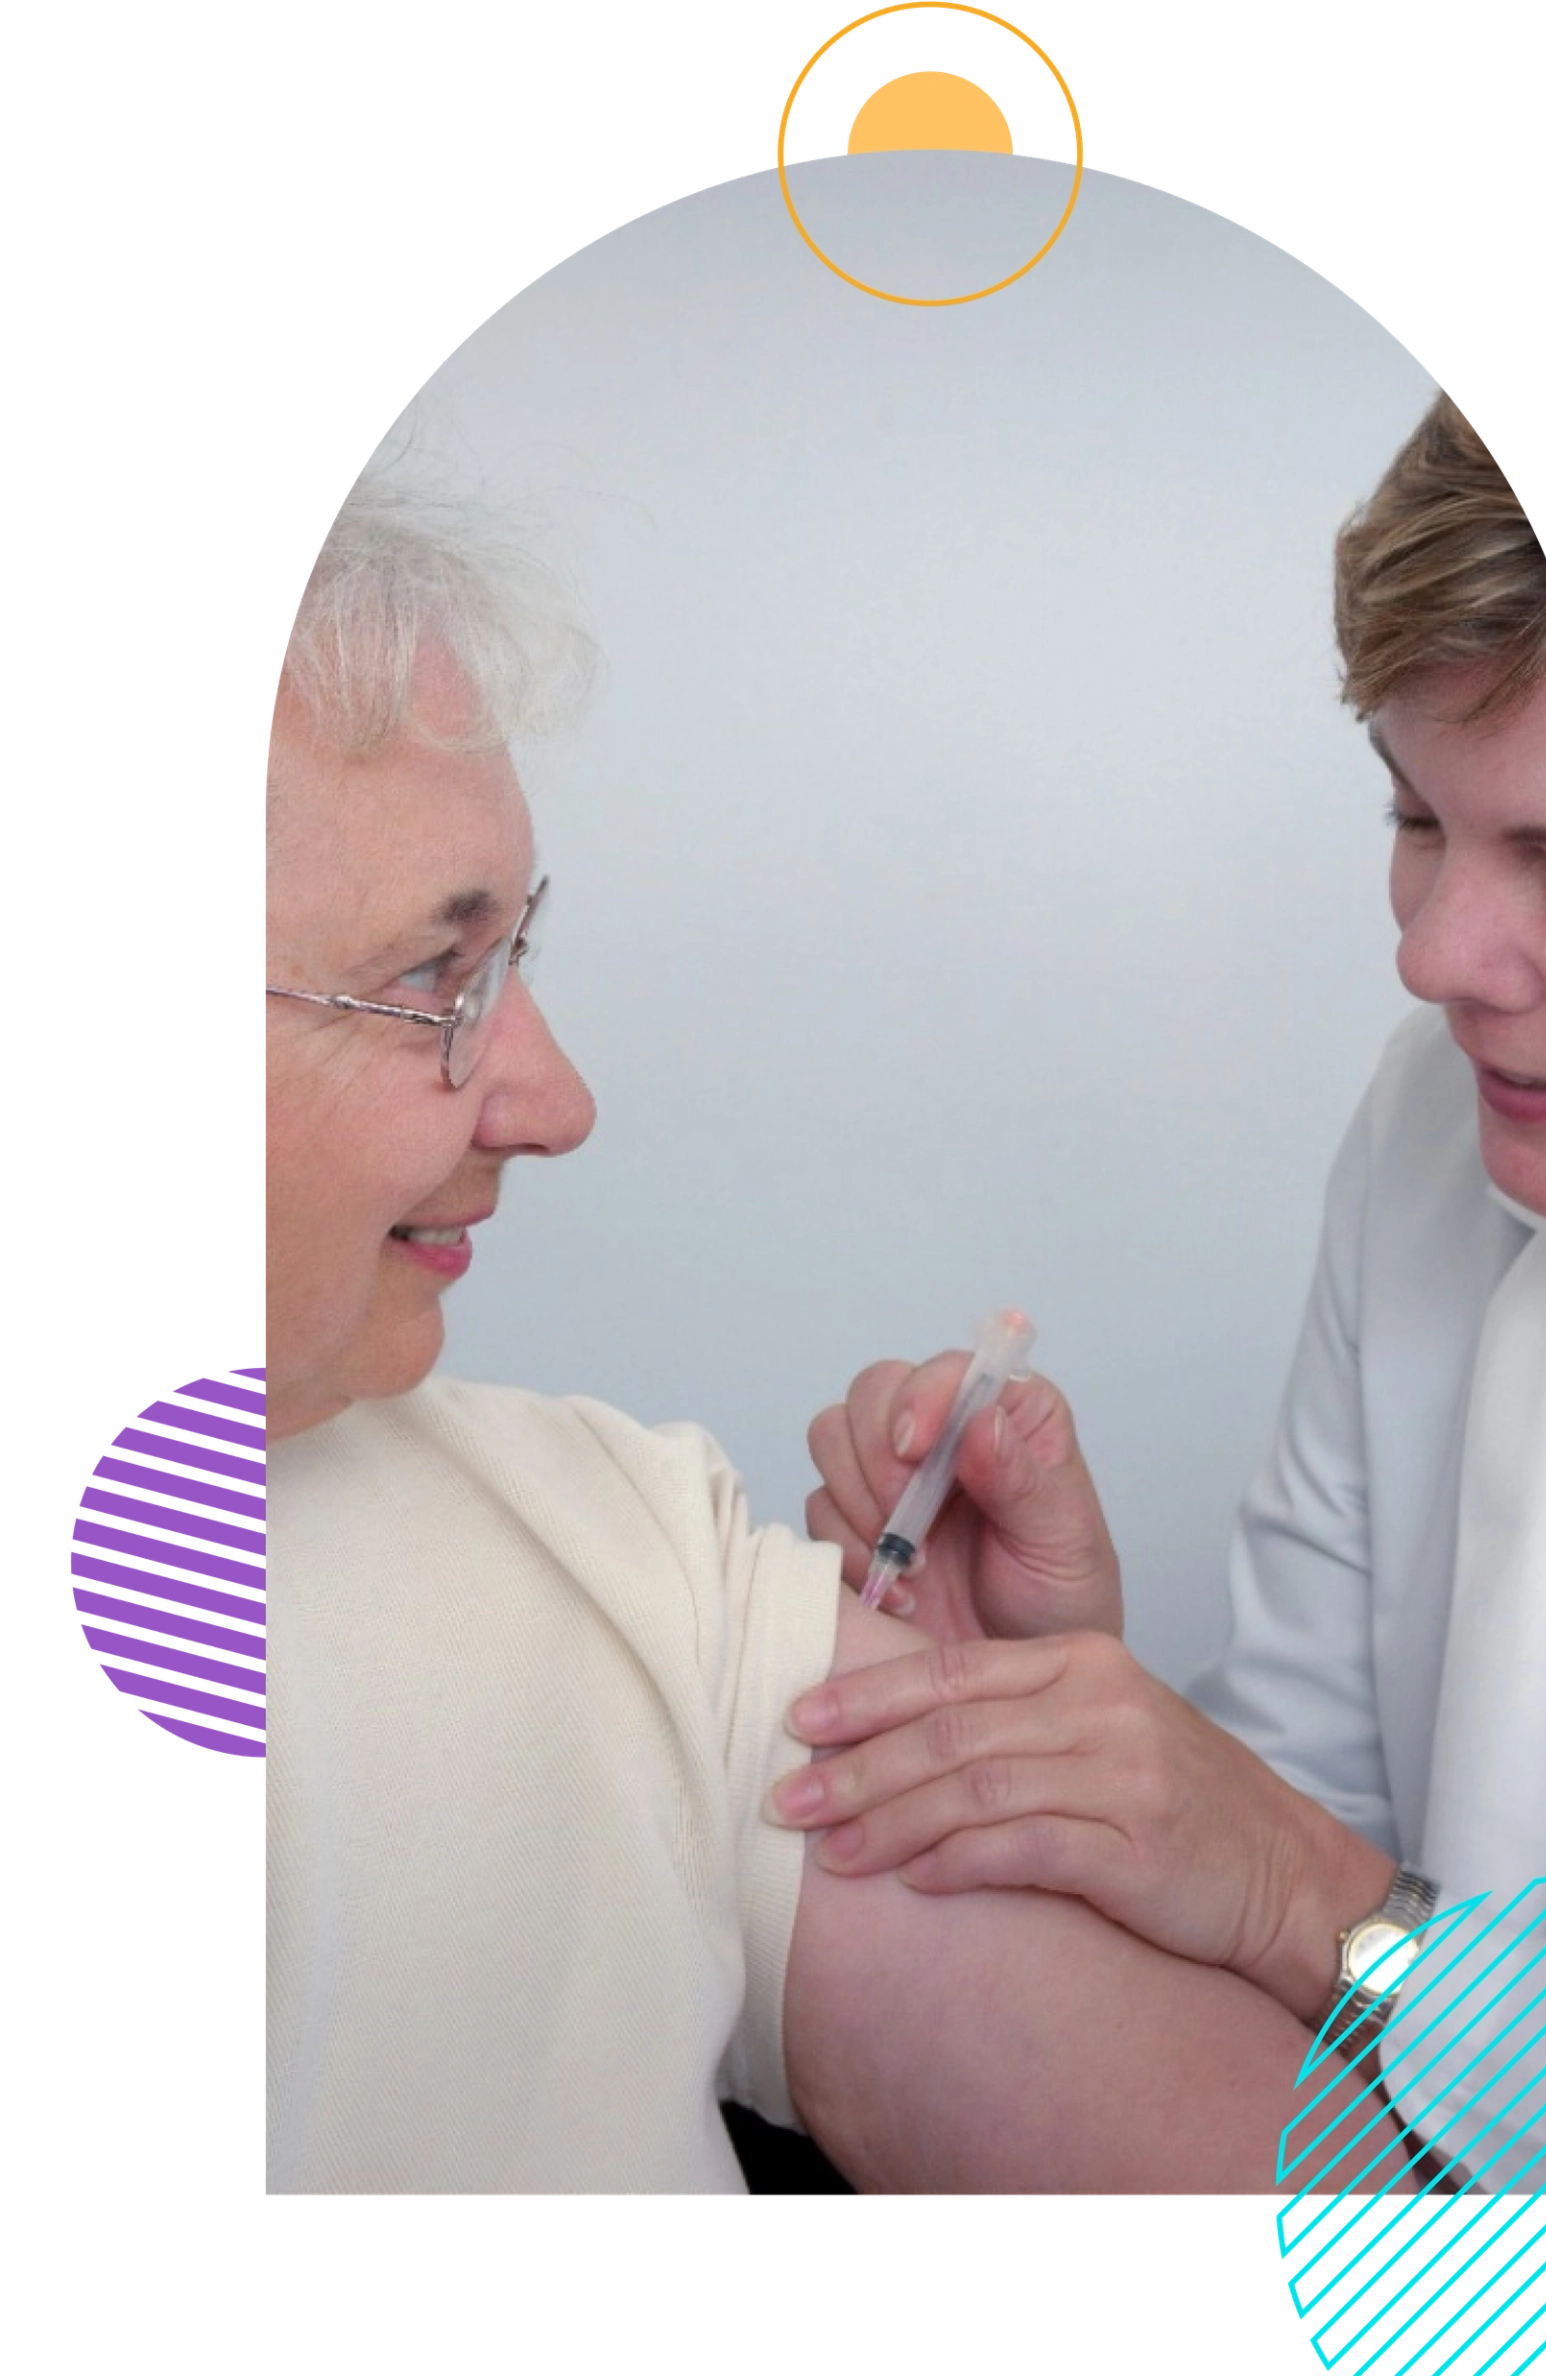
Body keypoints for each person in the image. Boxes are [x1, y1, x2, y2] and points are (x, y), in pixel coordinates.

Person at [261, 470, 1449, 2200]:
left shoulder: (610, 1555)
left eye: (516, 956)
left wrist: (1269, 1870)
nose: (555, 1097)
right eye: (437, 986)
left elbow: (1489, 2329)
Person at [785, 394, 1546, 2195]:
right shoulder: (1433, 1136)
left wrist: (1296, 1889)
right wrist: (1065, 1723)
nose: (1434, 953)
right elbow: (1300, 1914)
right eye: (1417, 819)